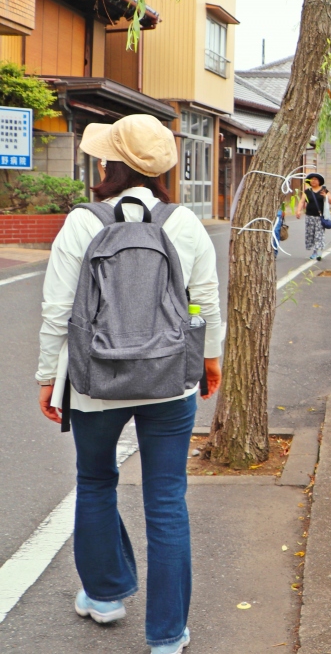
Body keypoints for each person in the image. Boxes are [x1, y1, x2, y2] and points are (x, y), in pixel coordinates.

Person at [36, 114, 223, 654]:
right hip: (170, 380)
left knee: (96, 480)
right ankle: (167, 635)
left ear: (108, 165)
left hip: (94, 379)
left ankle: (105, 597)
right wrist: (209, 361)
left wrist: (48, 377)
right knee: (166, 500)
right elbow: (204, 303)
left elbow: (57, 311)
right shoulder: (184, 223)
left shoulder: (82, 222)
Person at [295, 172, 331, 260]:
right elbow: (302, 201)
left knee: (319, 235)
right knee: (311, 234)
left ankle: (318, 252)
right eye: (312, 179)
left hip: (320, 217)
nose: (313, 181)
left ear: (319, 181)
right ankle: (314, 252)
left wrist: (326, 196)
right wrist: (298, 211)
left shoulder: (324, 190)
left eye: (315, 179)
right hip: (309, 216)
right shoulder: (307, 191)